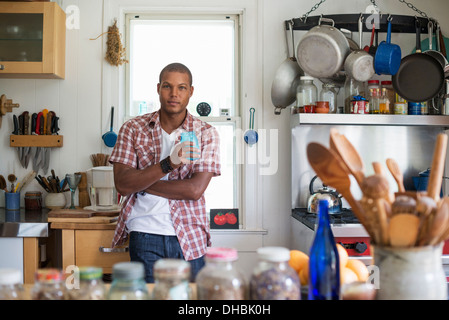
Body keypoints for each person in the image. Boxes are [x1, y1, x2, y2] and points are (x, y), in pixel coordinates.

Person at [109, 62, 221, 282]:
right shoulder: (132, 129)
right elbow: (123, 184)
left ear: (191, 92)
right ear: (158, 88)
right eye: (168, 86)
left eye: (181, 87)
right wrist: (168, 164)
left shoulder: (206, 133)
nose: (174, 94)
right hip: (144, 231)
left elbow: (194, 190)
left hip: (190, 234)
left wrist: (140, 181)